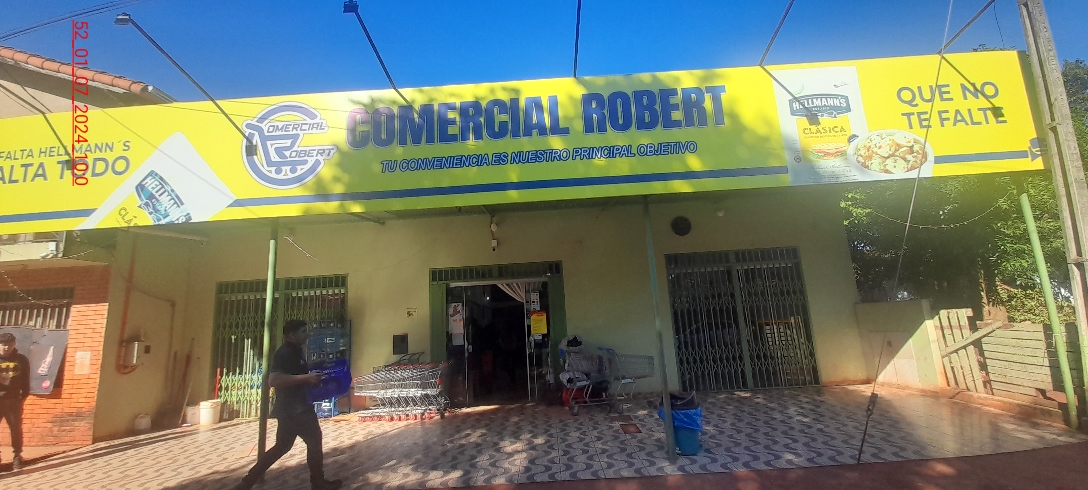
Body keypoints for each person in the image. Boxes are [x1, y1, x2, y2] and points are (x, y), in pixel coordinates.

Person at [233, 320, 342, 490]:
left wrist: (314, 367)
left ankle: (246, 483)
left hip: (292, 409)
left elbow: (295, 371)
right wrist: (306, 378)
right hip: (296, 409)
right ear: (291, 335)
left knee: (282, 447)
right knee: (313, 441)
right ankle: (318, 482)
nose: (307, 334)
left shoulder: (296, 351)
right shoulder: (284, 353)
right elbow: (274, 380)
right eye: (303, 331)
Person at [0, 332, 29, 472]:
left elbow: (26, 379)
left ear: (14, 344)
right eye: (4, 344)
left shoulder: (21, 360)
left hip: (13, 400)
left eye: (10, 344)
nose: (7, 347)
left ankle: (17, 455)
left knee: (15, 429)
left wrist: (23, 396)